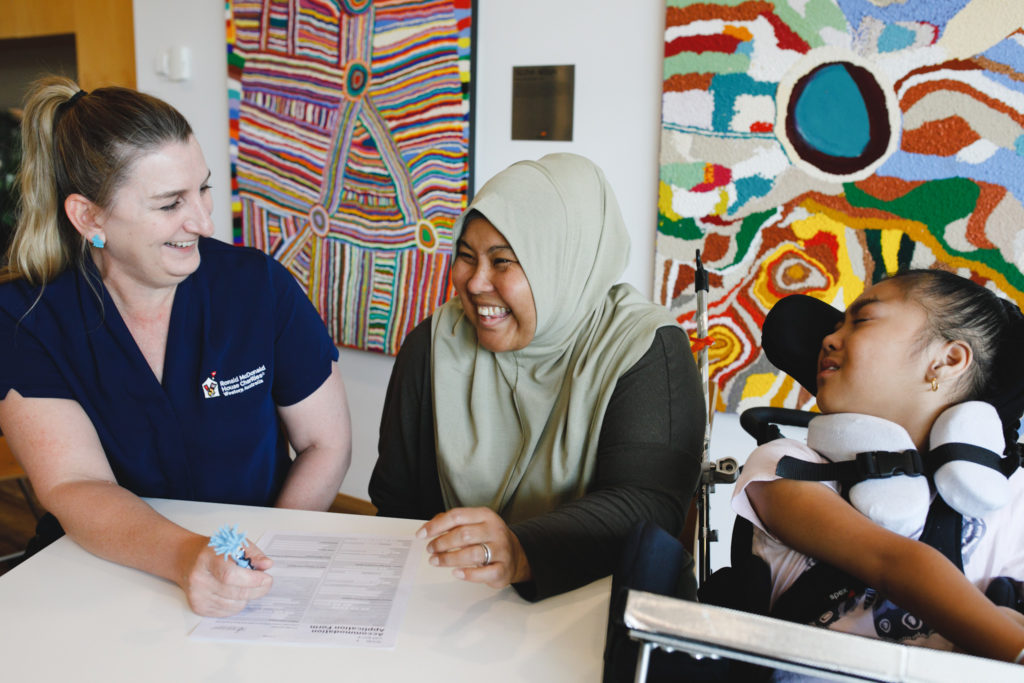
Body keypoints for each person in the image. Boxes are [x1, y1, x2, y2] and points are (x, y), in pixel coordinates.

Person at [0, 76, 352, 617]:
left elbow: (324, 444)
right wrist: (192, 557)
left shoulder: (257, 287)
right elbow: (73, 483)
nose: (204, 222)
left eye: (203, 189)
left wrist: (254, 559)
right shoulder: (27, 317)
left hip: (252, 569)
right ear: (89, 217)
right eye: (170, 204)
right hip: (103, 571)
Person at [369, 153, 705, 601]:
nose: (474, 282)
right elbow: (397, 503)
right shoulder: (433, 346)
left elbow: (647, 504)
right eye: (466, 257)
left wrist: (520, 549)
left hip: (595, 601)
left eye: (503, 261)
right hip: (453, 603)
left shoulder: (642, 348)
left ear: (563, 262)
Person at [732, 269, 1024, 665]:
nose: (829, 339)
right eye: (837, 325)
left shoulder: (1013, 497)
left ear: (947, 360)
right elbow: (892, 563)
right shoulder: (785, 467)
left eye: (861, 320)